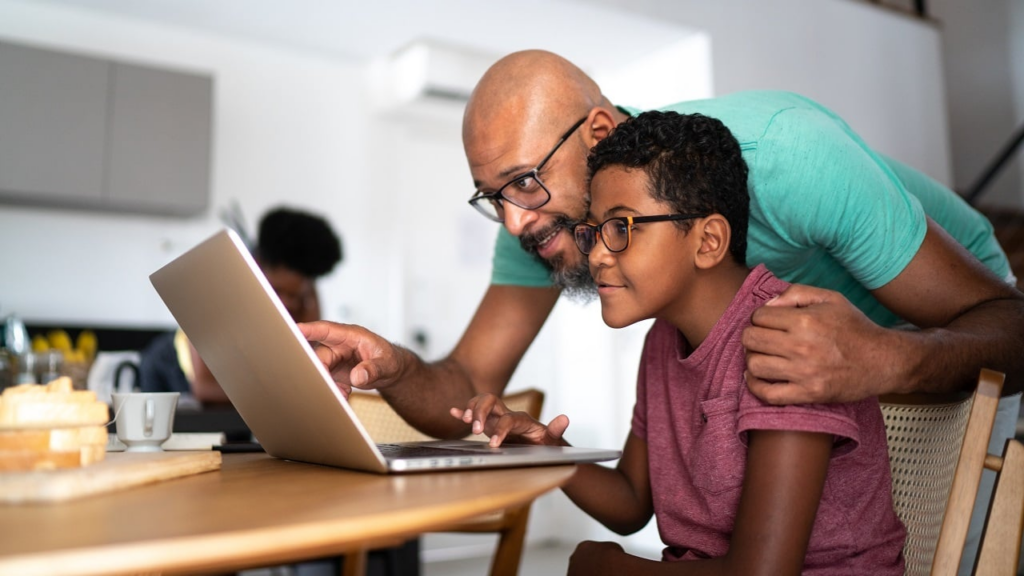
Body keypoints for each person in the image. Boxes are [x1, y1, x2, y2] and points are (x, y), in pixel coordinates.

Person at [298, 50, 1023, 571]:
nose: (515, 225)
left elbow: (1007, 323)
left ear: (599, 132)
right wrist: (392, 369)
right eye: (494, 198)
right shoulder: (607, 281)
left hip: (941, 323)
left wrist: (887, 356)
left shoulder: (788, 159)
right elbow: (469, 387)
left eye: (524, 182)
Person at [452, 110, 906, 575]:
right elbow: (630, 502)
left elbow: (762, 573)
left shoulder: (790, 340)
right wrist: (542, 451)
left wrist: (613, 569)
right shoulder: (662, 341)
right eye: (594, 231)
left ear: (708, 241)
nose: (598, 255)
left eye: (622, 228)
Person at [140, 205, 343, 403]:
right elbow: (204, 387)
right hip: (175, 369)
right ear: (256, 264)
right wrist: (282, 395)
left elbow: (305, 366)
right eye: (277, 291)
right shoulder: (219, 294)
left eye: (296, 295)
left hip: (245, 381)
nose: (287, 304)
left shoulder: (306, 297)